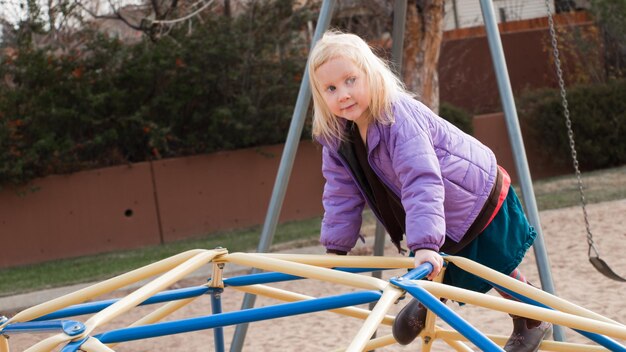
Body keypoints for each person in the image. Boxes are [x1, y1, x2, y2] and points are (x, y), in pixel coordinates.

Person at [307, 30, 552, 351]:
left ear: (371, 74)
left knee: (491, 264)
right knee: (434, 254)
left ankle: (533, 317)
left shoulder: (397, 117)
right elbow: (340, 193)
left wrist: (424, 243)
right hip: (438, 205)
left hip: (473, 195)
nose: (343, 95)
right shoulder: (338, 137)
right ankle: (427, 295)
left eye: (351, 80)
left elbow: (421, 179)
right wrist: (336, 248)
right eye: (331, 88)